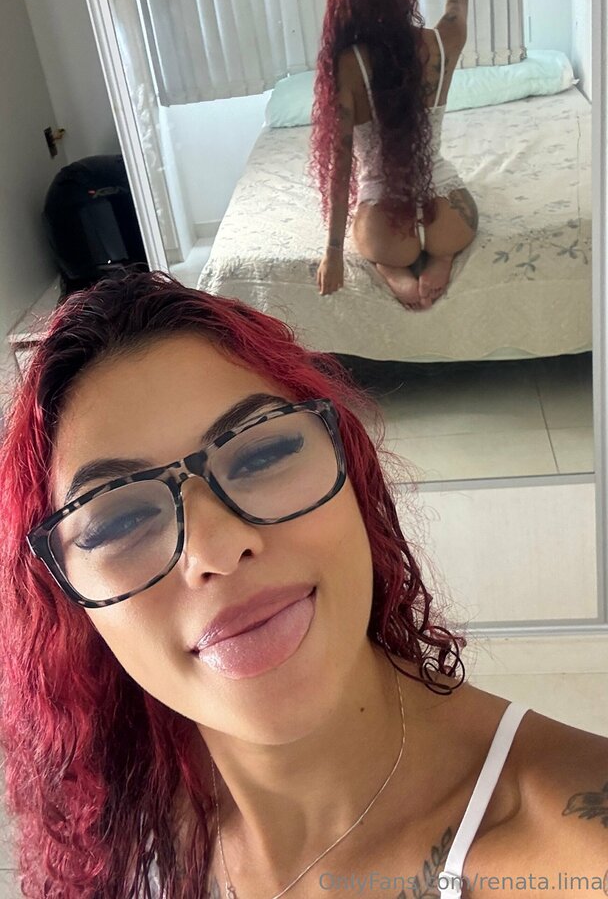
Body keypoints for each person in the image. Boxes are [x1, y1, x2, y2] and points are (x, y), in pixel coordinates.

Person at [0, 270, 606, 899]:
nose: (217, 549)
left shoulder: (577, 852)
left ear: (354, 473)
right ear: (65, 598)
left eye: (261, 455)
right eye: (119, 521)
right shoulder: (120, 804)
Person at [311, 0, 479, 312]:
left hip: (386, 231)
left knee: (372, 244)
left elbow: (342, 164)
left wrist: (333, 251)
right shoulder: (442, 42)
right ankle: (441, 258)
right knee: (447, 230)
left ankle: (394, 272)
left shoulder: (349, 64)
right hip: (452, 218)